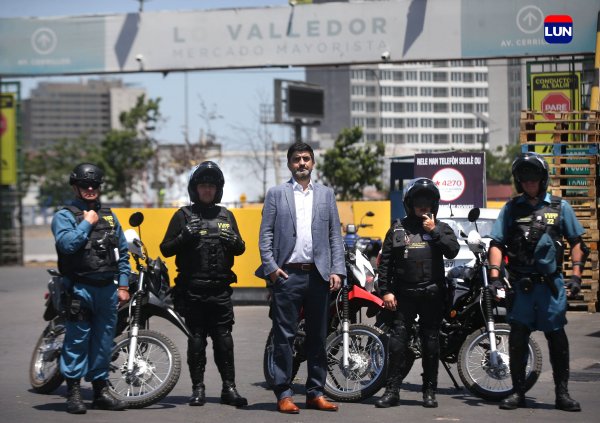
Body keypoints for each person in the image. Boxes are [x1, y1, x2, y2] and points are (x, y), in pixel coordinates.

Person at [488, 152, 588, 412]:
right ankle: (518, 393)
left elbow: (577, 242)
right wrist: (495, 278)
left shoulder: (559, 207)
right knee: (518, 339)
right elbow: (497, 243)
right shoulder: (511, 209)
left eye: (533, 178)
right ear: (518, 181)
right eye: (524, 179)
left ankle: (562, 394)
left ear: (542, 179)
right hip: (521, 287)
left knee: (557, 338)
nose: (529, 183)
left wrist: (576, 275)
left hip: (550, 287)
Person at [257, 142, 346, 414]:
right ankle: (284, 393)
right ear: (289, 164)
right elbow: (266, 235)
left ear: (313, 163)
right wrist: (271, 267)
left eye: (306, 158)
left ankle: (315, 393)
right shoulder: (276, 194)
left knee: (318, 336)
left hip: (318, 276)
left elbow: (334, 236)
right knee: (284, 337)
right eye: (297, 159)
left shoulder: (326, 195)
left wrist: (337, 270)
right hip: (287, 275)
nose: (302, 163)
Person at [160, 161, 248, 408]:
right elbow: (165, 249)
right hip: (192, 291)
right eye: (203, 185)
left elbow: (241, 248)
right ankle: (197, 389)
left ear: (217, 189)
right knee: (196, 340)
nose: (207, 190)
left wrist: (234, 241)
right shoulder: (183, 216)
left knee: (224, 340)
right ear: (195, 189)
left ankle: (228, 388)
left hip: (220, 291)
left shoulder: (226, 215)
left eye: (211, 185)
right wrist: (183, 236)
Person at [52, 163, 130, 414]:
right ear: (75, 186)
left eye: (94, 184)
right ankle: (73, 393)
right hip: (80, 289)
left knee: (104, 342)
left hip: (107, 289)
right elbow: (66, 245)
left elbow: (123, 254)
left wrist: (124, 285)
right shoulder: (64, 215)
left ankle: (100, 392)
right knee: (77, 341)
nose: (89, 188)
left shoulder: (110, 215)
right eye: (84, 184)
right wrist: (86, 224)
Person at [375, 177, 459, 409]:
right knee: (397, 344)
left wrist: (434, 232)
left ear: (434, 205)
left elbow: (452, 251)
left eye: (428, 202)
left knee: (431, 343)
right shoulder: (397, 228)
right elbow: (385, 264)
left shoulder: (441, 227)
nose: (423, 206)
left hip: (432, 295)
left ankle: (429, 392)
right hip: (404, 296)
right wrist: (386, 292)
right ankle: (392, 391)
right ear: (409, 203)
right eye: (419, 202)